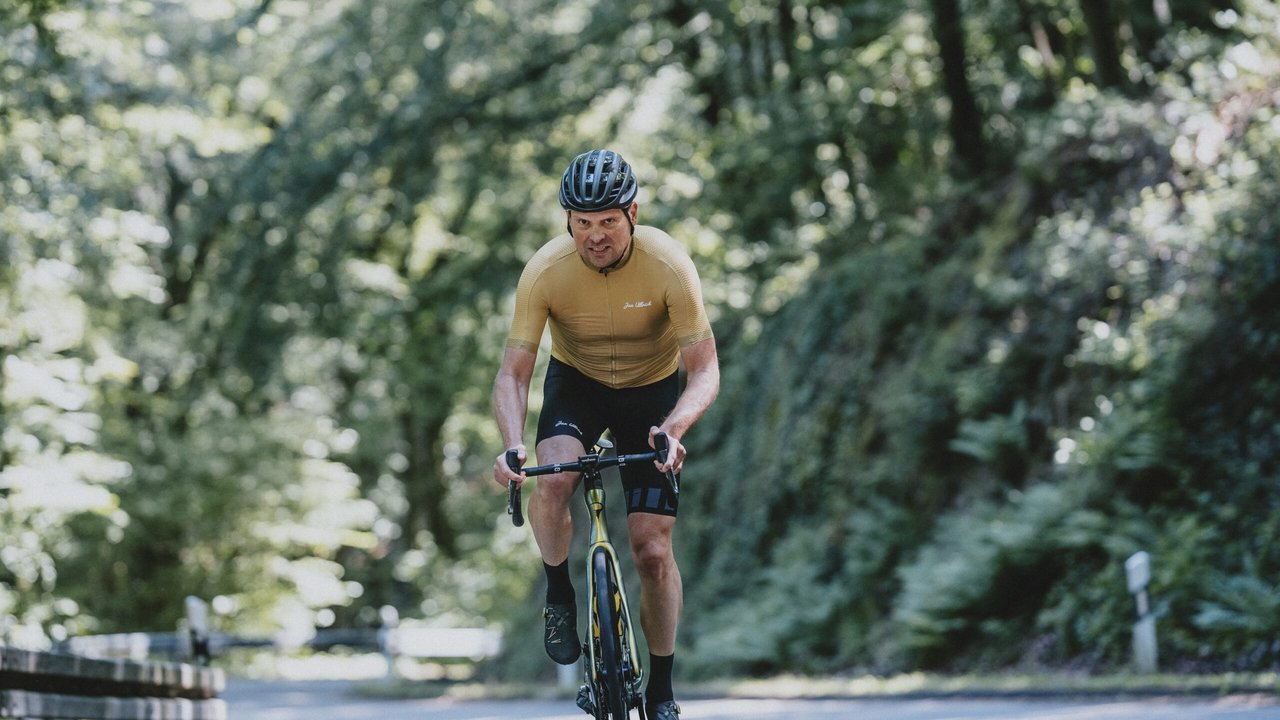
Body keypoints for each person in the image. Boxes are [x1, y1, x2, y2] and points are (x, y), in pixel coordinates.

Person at [493, 148, 719, 720]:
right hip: (578, 387)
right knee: (554, 479)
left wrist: (672, 429)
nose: (595, 236)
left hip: (652, 395)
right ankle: (560, 595)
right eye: (583, 223)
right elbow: (513, 373)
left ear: (633, 213)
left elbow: (706, 368)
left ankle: (662, 690)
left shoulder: (668, 264)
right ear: (567, 220)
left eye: (608, 222)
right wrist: (512, 444)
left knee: (650, 550)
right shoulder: (546, 271)